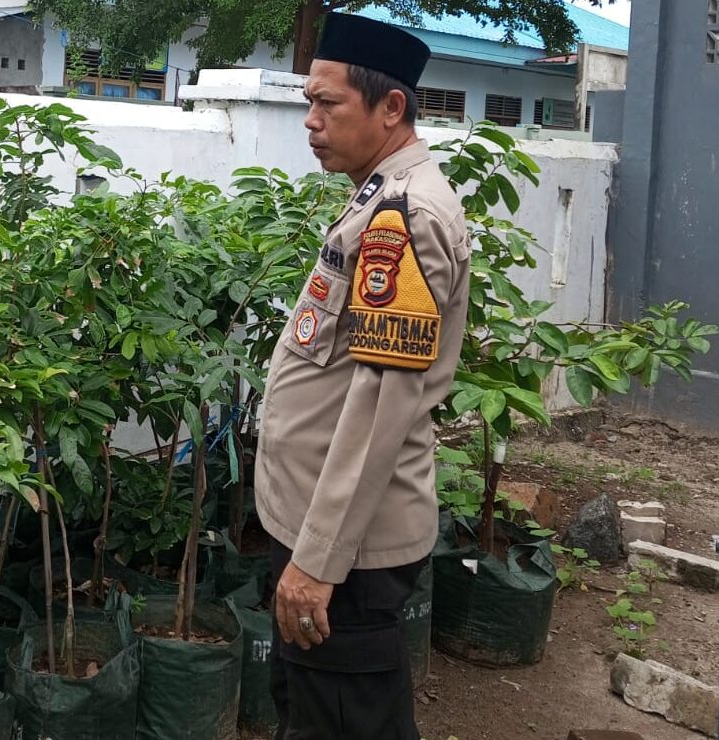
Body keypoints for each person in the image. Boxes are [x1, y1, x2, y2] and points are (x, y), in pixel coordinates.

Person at [253, 11, 471, 739]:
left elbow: (381, 404)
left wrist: (316, 563)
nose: (310, 121)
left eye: (327, 103)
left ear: (391, 108)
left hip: (346, 550)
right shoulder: (378, 193)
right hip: (327, 529)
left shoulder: (405, 215)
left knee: (346, 721)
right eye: (307, 102)